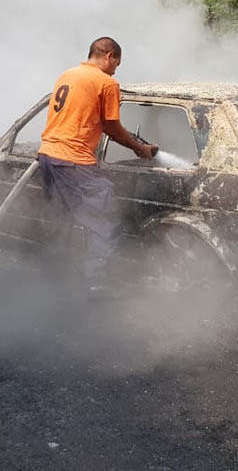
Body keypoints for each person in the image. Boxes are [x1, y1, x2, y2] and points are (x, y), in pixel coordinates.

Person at [37, 37, 157, 296]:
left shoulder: (67, 75)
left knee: (62, 217)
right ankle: (97, 283)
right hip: (74, 161)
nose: (116, 69)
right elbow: (111, 127)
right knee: (106, 219)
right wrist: (140, 149)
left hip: (47, 156)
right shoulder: (106, 83)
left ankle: (54, 275)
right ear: (109, 56)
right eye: (117, 63)